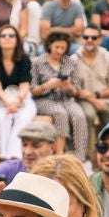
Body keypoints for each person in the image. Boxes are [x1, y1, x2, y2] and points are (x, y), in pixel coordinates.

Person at [32, 30, 87, 160]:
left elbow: (77, 90)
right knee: (60, 113)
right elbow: (32, 90)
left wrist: (69, 87)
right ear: (50, 45)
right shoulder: (38, 62)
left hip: (65, 98)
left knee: (79, 115)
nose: (60, 51)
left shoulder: (69, 62)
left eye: (63, 48)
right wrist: (48, 85)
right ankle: (59, 154)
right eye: (57, 47)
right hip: (43, 100)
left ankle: (80, 158)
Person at [0, 23, 36, 161]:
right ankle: (4, 154)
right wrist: (8, 103)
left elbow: (24, 84)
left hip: (21, 97)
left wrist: (17, 101)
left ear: (17, 39)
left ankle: (15, 155)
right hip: (0, 98)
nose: (7, 38)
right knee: (0, 118)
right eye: (3, 35)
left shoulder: (24, 58)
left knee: (23, 118)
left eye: (11, 35)